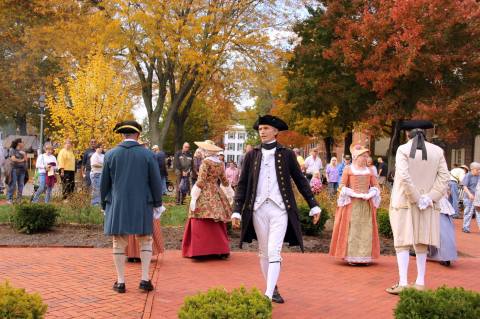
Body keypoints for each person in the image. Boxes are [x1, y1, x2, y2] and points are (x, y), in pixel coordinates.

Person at [232, 115, 321, 304]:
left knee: (274, 251)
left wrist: (313, 204)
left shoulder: (287, 154)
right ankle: (272, 288)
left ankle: (267, 295)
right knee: (264, 252)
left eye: (265, 128)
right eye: (260, 129)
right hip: (258, 209)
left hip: (280, 209)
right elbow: (242, 184)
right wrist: (237, 209)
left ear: (275, 131)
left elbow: (300, 181)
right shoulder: (251, 155)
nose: (261, 132)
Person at [101, 120, 165, 294]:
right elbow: (155, 182)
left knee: (118, 243)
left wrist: (103, 204)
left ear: (123, 135)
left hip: (117, 203)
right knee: (145, 240)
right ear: (138, 135)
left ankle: (121, 283)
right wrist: (158, 203)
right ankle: (144, 280)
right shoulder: (147, 155)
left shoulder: (111, 154)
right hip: (143, 203)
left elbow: (104, 184)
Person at [386, 120, 449, 295]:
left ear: (408, 134)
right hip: (427, 204)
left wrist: (415, 197)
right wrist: (429, 197)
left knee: (402, 242)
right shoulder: (438, 151)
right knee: (422, 241)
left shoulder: (403, 149)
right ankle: (420, 282)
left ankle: (404, 282)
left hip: (404, 201)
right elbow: (444, 178)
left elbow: (404, 177)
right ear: (425, 133)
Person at [329, 144, 381, 265]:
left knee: (366, 229)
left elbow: (376, 186)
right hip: (352, 204)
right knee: (353, 229)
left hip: (366, 204)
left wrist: (371, 193)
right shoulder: (349, 169)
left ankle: (365, 257)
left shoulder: (369, 170)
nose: (365, 158)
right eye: (362, 156)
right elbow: (341, 186)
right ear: (356, 157)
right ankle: (352, 257)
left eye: (366, 156)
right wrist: (351, 192)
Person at [182, 140, 232, 259]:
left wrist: (194, 197)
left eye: (204, 150)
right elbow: (224, 181)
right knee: (217, 219)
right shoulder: (220, 163)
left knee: (199, 216)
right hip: (215, 191)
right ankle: (220, 249)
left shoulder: (205, 162)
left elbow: (200, 181)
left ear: (208, 151)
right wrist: (230, 194)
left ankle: (201, 251)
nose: (202, 151)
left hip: (204, 191)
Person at [427, 194, 458, 267]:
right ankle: (428, 252)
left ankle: (445, 256)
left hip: (438, 204)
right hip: (435, 202)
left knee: (443, 232)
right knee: (434, 231)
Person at [6, 138, 27, 204]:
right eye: (22, 142)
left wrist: (24, 154)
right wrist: (22, 160)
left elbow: (26, 159)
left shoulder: (22, 150)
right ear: (18, 143)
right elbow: (13, 159)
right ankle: (9, 199)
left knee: (21, 185)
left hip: (22, 170)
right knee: (12, 184)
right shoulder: (12, 150)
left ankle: (19, 199)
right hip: (14, 169)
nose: (23, 143)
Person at [461, 162, 480, 233]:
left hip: (477, 198)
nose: (479, 171)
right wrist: (469, 194)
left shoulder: (479, 176)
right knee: (468, 213)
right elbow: (464, 186)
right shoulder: (468, 175)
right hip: (469, 198)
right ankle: (465, 227)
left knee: (479, 214)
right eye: (477, 170)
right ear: (473, 169)